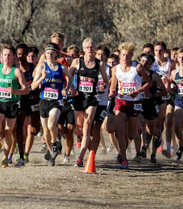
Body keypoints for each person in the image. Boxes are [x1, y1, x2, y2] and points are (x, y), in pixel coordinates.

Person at [109, 42, 151, 169]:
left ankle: (135, 130)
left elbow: (148, 83)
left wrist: (137, 91)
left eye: (127, 55)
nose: (125, 58)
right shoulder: (115, 69)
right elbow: (113, 85)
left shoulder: (137, 67)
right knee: (120, 131)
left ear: (131, 55)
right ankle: (124, 159)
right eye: (123, 55)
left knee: (131, 135)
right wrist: (112, 92)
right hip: (121, 101)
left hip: (135, 102)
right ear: (120, 56)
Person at [32, 43, 74, 166]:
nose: (50, 55)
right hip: (44, 100)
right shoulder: (41, 67)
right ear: (44, 54)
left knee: (51, 125)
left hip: (57, 101)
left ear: (56, 54)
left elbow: (70, 77)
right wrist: (42, 78)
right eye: (47, 53)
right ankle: (52, 154)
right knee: (45, 130)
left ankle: (55, 143)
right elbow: (33, 86)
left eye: (52, 53)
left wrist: (66, 88)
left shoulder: (61, 68)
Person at [0, 44, 29, 168]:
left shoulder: (17, 71)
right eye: (4, 55)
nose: (7, 57)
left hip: (12, 104)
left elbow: (26, 89)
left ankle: (5, 158)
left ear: (13, 57)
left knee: (8, 131)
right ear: (1, 57)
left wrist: (15, 91)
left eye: (9, 55)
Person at [69, 38, 108, 167]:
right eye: (87, 47)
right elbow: (68, 76)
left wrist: (103, 86)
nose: (89, 49)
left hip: (92, 98)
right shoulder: (77, 62)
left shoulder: (100, 64)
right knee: (79, 131)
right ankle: (89, 151)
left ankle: (80, 158)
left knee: (87, 126)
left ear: (95, 48)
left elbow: (106, 81)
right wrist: (71, 87)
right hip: (79, 98)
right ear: (83, 49)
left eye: (92, 47)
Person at [137, 53, 167, 163]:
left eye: (147, 62)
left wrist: (152, 95)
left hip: (150, 104)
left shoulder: (154, 75)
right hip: (139, 103)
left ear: (151, 64)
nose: (144, 64)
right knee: (140, 125)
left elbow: (164, 92)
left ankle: (158, 138)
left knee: (152, 130)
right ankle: (142, 148)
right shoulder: (136, 73)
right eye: (142, 61)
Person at [150, 42, 176, 155]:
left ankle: (166, 149)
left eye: (160, 50)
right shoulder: (151, 63)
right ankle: (152, 149)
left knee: (167, 121)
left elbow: (175, 76)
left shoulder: (171, 63)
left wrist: (170, 82)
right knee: (155, 123)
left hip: (167, 94)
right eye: (156, 50)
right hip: (155, 95)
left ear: (165, 51)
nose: (158, 53)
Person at [171, 48, 183, 161]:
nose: (182, 59)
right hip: (179, 100)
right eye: (180, 57)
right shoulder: (175, 72)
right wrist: (171, 86)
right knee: (177, 125)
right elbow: (172, 88)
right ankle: (181, 146)